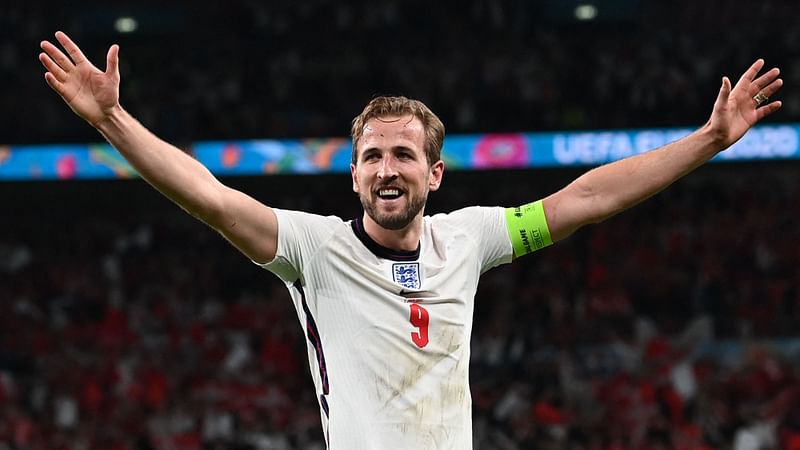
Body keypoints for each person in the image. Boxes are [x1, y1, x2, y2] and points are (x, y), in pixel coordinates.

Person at [38, 30, 782, 449]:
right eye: (372, 157)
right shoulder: (313, 253)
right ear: (353, 175)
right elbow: (206, 193)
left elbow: (586, 198)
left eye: (402, 156)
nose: (386, 170)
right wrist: (110, 121)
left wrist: (709, 140)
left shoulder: (474, 239)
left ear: (435, 174)